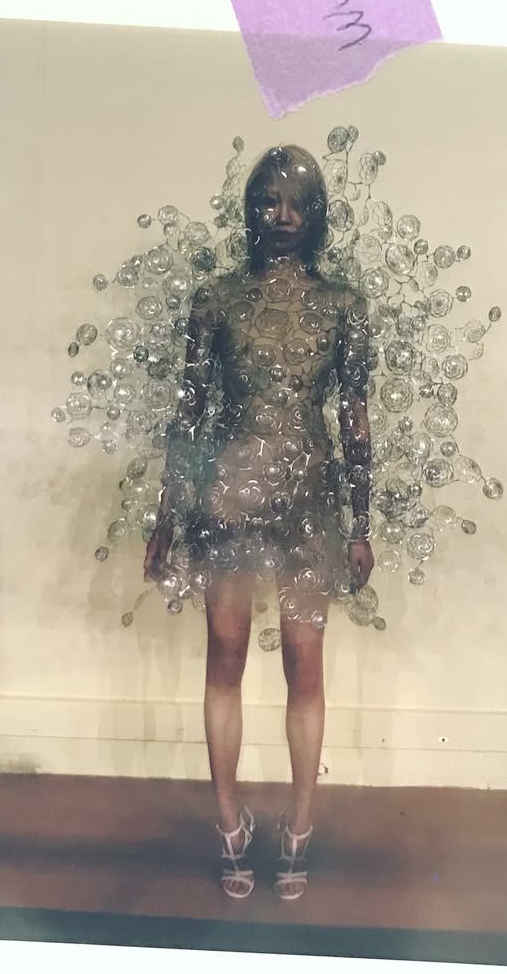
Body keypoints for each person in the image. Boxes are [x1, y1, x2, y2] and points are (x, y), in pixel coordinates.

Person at [143, 144, 375, 901]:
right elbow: (189, 413)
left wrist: (360, 521)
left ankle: (300, 824)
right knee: (226, 656)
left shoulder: (344, 305)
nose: (280, 215)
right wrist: (168, 513)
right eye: (267, 199)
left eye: (295, 201)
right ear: (248, 209)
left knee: (304, 665)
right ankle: (229, 824)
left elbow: (355, 419)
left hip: (310, 501)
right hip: (228, 498)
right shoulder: (215, 299)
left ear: (317, 213)